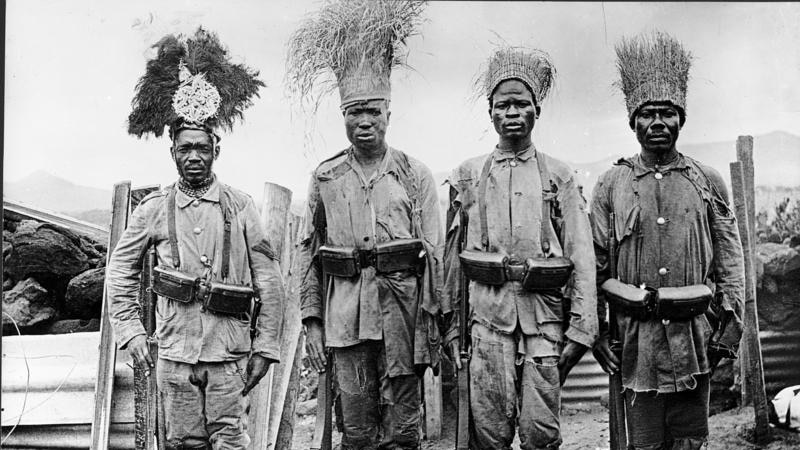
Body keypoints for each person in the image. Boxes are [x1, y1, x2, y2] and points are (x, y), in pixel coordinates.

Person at [107, 28, 284, 450]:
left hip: (228, 355)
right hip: (175, 354)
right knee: (183, 443)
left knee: (229, 441)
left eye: (202, 148)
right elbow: (120, 272)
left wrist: (266, 348)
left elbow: (270, 283)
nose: (194, 157)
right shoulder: (153, 209)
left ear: (215, 151)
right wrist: (131, 333)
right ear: (173, 152)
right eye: (185, 148)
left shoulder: (240, 207)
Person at [287, 1, 442, 449]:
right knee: (356, 431)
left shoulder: (415, 175)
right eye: (355, 111)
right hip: (345, 322)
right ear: (343, 117)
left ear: (389, 113)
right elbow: (308, 254)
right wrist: (312, 323)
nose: (365, 120)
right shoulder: (326, 178)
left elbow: (432, 254)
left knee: (404, 431)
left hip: (403, 320)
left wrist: (432, 324)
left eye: (373, 110)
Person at [590, 31, 745, 450]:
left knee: (690, 440)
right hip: (634, 343)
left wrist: (728, 331)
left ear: (681, 119)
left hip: (695, 338)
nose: (657, 122)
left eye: (667, 113)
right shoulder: (611, 184)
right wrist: (596, 333)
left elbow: (731, 262)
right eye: (647, 113)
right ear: (632, 121)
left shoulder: (707, 180)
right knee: (640, 443)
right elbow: (597, 266)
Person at [443, 47, 598, 450]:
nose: (512, 113)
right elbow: (451, 261)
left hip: (543, 323)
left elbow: (581, 257)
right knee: (488, 435)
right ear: (489, 113)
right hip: (486, 320)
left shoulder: (559, 175)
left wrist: (581, 330)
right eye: (502, 105)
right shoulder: (467, 176)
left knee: (540, 434)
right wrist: (449, 325)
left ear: (536, 111)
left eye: (521, 104)